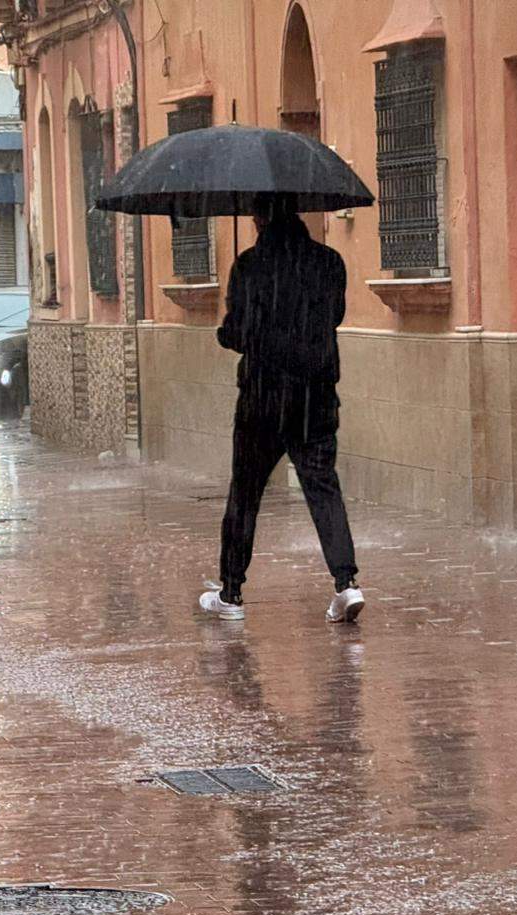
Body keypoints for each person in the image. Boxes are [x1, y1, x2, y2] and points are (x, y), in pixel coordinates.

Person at [199, 196, 364, 625]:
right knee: (323, 489)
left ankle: (231, 592)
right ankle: (346, 583)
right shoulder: (329, 262)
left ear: (258, 219)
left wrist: (227, 333)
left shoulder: (250, 266)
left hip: (263, 398)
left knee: (246, 494)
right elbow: (335, 316)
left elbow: (239, 333)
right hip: (316, 395)